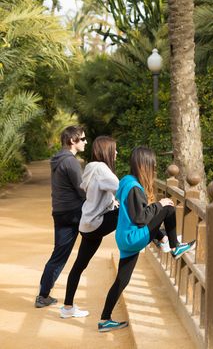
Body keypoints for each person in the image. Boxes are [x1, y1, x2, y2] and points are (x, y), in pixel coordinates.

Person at [98, 146, 195, 332]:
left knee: (122, 280)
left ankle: (104, 320)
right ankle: (174, 246)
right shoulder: (135, 188)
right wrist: (159, 204)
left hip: (125, 236)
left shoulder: (127, 180)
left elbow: (136, 213)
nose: (156, 166)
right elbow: (140, 218)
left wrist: (156, 217)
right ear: (145, 165)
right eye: (153, 163)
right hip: (133, 237)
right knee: (167, 208)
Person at [59, 136, 119, 319]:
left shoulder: (91, 167)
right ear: (106, 151)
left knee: (79, 266)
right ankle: (162, 238)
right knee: (130, 214)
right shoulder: (102, 169)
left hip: (87, 224)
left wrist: (111, 203)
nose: (116, 153)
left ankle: (67, 308)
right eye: (114, 149)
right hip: (96, 223)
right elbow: (122, 188)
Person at [35, 125, 87, 308]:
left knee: (59, 254)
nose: (85, 142)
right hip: (73, 213)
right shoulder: (71, 161)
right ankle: (43, 295)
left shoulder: (58, 159)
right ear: (72, 140)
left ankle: (44, 294)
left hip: (61, 212)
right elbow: (82, 190)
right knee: (59, 255)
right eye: (82, 139)